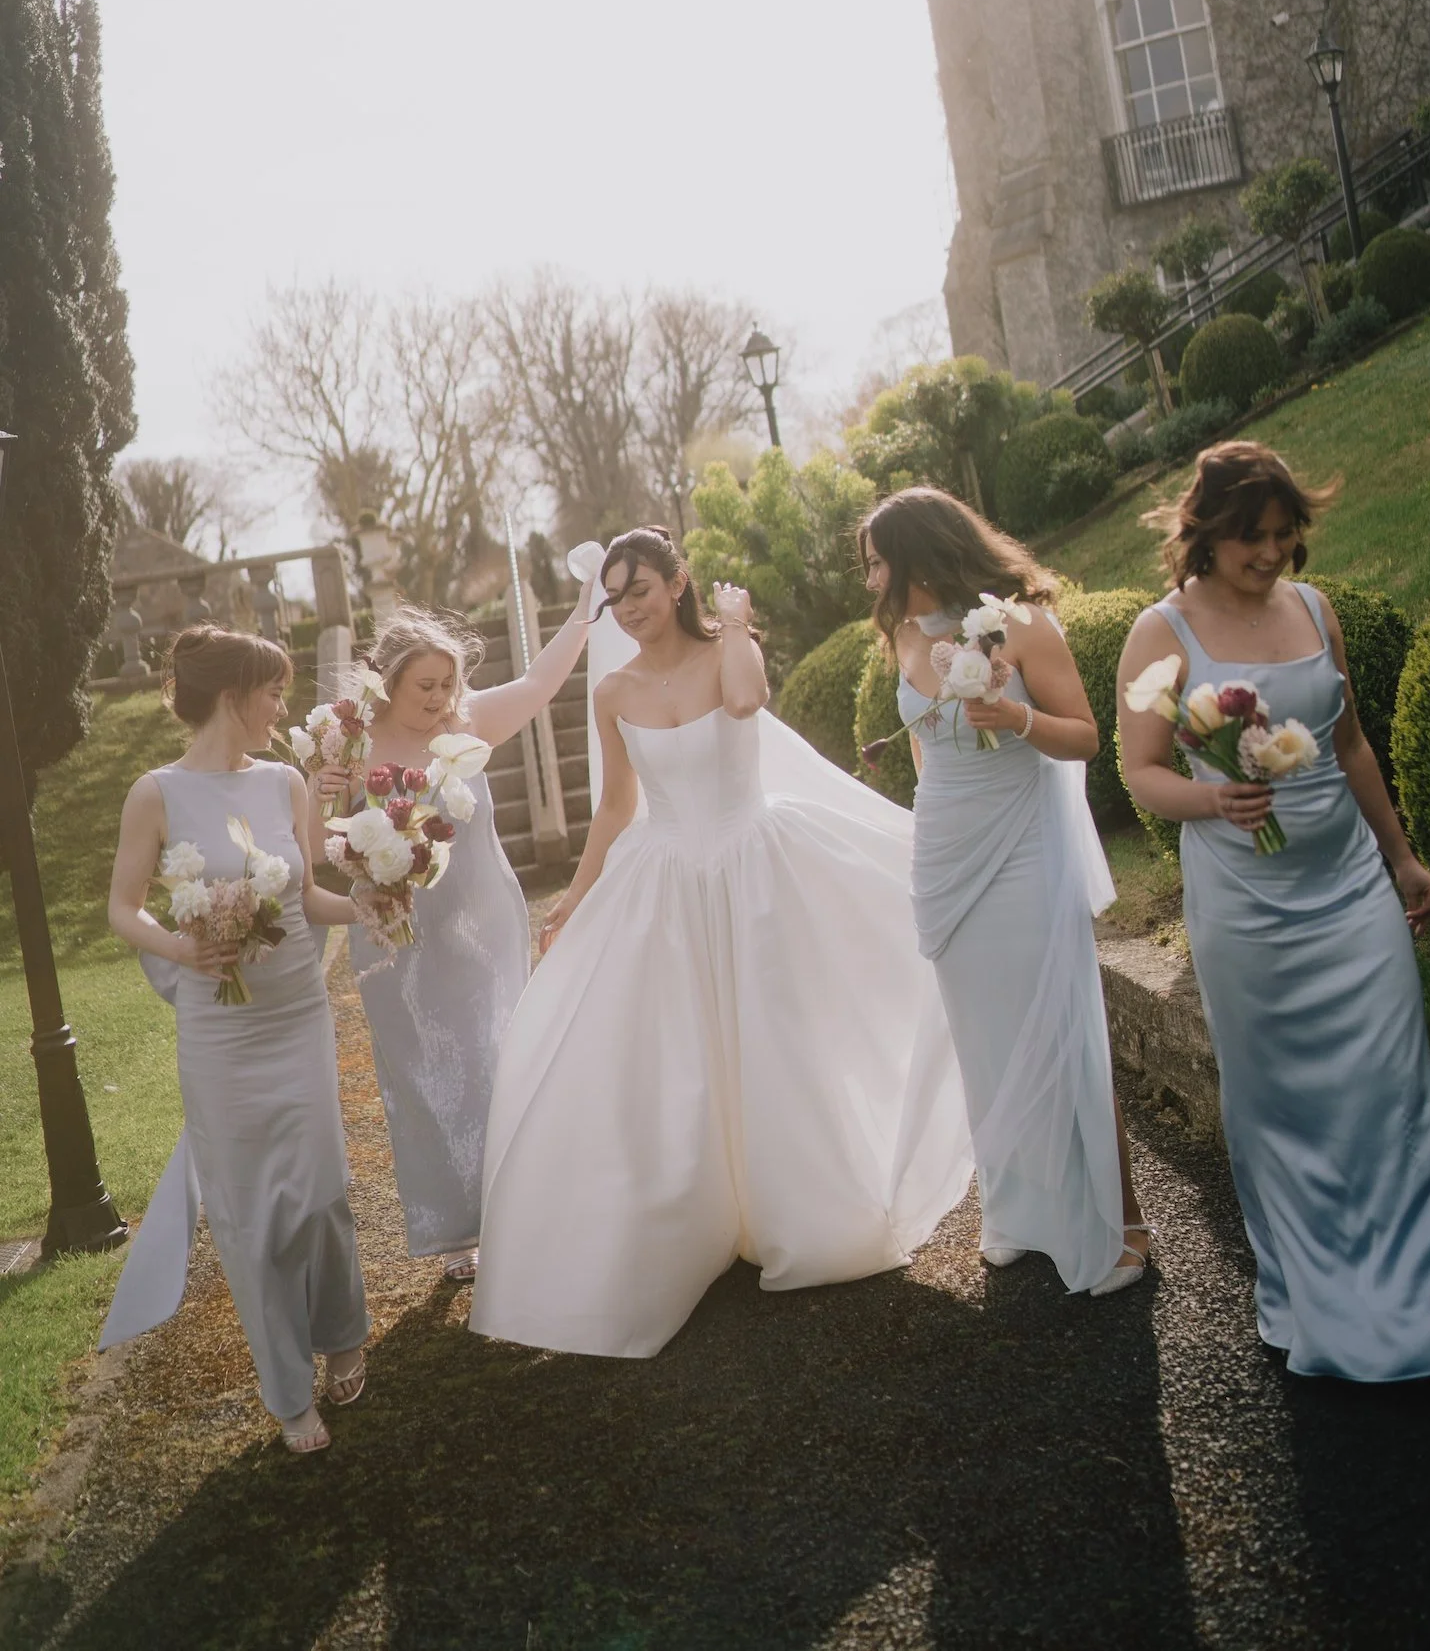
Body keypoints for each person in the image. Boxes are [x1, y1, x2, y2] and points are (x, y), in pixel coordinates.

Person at [469, 525, 972, 1359]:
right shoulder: (614, 693)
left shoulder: (728, 653)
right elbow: (614, 808)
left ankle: (794, 1209)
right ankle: (701, 1218)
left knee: (774, 1037)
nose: (629, 609)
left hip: (753, 866)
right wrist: (574, 899)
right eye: (615, 597)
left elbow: (745, 703)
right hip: (666, 880)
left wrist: (736, 625)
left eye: (641, 590)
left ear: (678, 582)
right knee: (683, 1053)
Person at [1117, 440, 1430, 1403]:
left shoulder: (1316, 609)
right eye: (1255, 538)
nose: (1274, 554)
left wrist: (1401, 855)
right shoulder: (1160, 632)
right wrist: (1213, 801)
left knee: (1395, 1097)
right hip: (1247, 907)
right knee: (1283, 1107)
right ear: (1206, 536)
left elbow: (1351, 742)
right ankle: (1321, 1302)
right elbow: (1141, 772)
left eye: (1287, 536)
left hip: (1350, 891)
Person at [859, 486, 1147, 1298]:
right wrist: (929, 840)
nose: (872, 577)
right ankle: (1019, 1210)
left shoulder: (1018, 623)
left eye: (879, 560)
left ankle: (1121, 1222)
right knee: (983, 1035)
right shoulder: (908, 637)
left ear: (921, 553)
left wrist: (1015, 720)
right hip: (946, 849)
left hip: (1021, 843)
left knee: (1058, 1027)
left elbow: (1087, 735)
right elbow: (925, 755)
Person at [101, 627, 368, 1456]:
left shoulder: (287, 780)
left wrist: (379, 901)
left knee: (322, 1191)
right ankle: (288, 1393)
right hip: (221, 1033)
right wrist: (185, 947)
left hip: (297, 1016)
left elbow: (312, 895)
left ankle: (345, 1333)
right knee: (251, 1215)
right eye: (273, 693)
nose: (281, 709)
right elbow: (123, 908)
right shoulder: (156, 793)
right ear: (231, 695)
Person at [311, 586, 592, 1282]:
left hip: (482, 921)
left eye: (447, 684)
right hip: (396, 936)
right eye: (425, 686)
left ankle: (520, 1205)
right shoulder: (351, 742)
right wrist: (331, 804)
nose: (439, 698)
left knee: (499, 1055)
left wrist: (586, 606)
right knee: (424, 1077)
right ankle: (456, 1227)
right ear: (389, 681)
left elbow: (540, 680)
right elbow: (318, 843)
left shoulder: (470, 721)